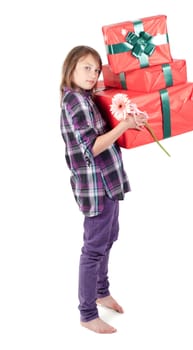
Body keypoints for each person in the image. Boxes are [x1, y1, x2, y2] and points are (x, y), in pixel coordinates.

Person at [59, 45, 146, 334]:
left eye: (96, 69)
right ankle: (87, 313)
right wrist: (123, 126)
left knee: (109, 238)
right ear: (71, 68)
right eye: (86, 67)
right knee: (94, 248)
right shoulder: (75, 102)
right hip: (95, 186)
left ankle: (101, 290)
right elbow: (92, 147)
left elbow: (106, 134)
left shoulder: (88, 99)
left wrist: (129, 124)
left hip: (108, 181)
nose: (93, 73)